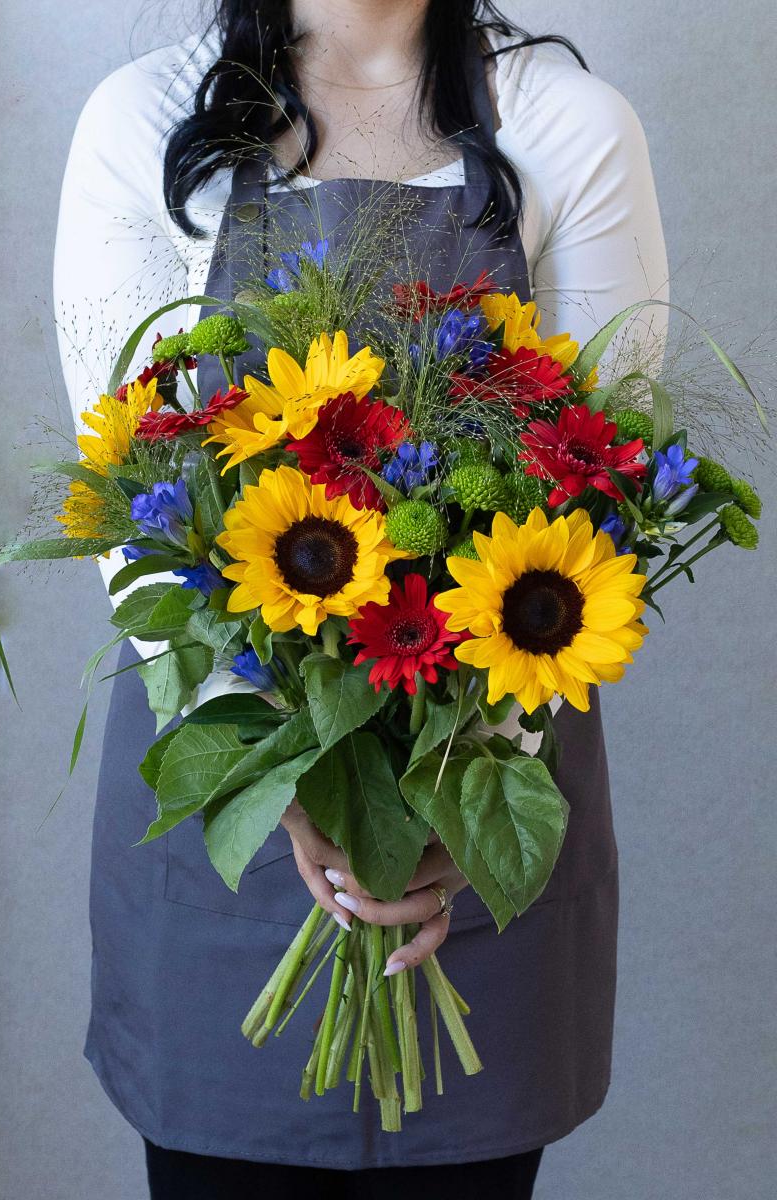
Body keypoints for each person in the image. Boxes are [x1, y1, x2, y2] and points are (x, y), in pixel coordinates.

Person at [53, 2, 669, 1196]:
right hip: (227, 794)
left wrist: (449, 786)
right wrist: (286, 778)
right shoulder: (143, 120)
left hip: (488, 772)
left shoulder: (568, 124)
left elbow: (600, 489)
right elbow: (135, 517)